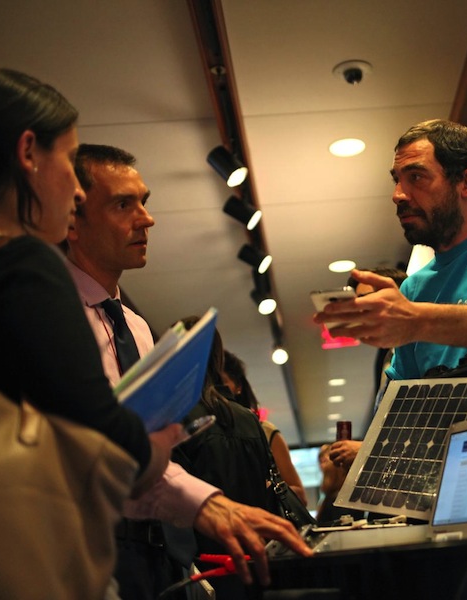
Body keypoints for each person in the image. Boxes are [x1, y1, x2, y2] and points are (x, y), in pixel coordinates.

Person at [66, 143, 310, 598]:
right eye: (123, 204)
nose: (146, 218)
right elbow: (93, 456)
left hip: (156, 554)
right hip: (86, 555)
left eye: (144, 201)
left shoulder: (136, 327)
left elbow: (144, 452)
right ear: (72, 221)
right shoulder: (51, 317)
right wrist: (205, 505)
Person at [0, 66, 180, 595]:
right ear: (27, 153)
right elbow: (101, 438)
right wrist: (158, 438)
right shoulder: (19, 265)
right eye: (67, 159)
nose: (73, 188)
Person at [314, 119, 467, 381]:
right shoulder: (413, 289)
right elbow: (404, 399)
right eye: (397, 180)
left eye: (416, 177)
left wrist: (418, 321)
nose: (398, 195)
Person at [172, 318, 292, 600]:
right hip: (254, 560)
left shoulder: (176, 419)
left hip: (204, 569)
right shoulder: (250, 421)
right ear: (218, 356)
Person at [327, 266, 408, 471]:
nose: (362, 312)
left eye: (369, 300)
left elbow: (426, 427)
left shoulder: (425, 349)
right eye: (358, 305)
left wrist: (365, 449)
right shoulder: (388, 357)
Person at [222, 349, 308, 504]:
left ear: (238, 386)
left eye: (221, 383)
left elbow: (300, 495)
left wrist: (265, 488)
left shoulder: (265, 431)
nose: (215, 391)